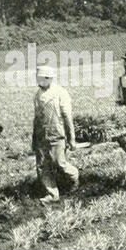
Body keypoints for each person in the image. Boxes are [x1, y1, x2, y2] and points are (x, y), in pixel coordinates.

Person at [32, 66, 79, 205]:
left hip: (56, 134)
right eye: (37, 77)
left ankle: (74, 176)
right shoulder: (37, 95)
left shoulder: (60, 93)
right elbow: (36, 118)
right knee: (42, 166)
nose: (37, 80)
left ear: (48, 78)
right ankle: (52, 194)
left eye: (40, 77)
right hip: (41, 136)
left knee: (59, 163)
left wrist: (72, 138)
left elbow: (67, 117)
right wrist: (34, 139)